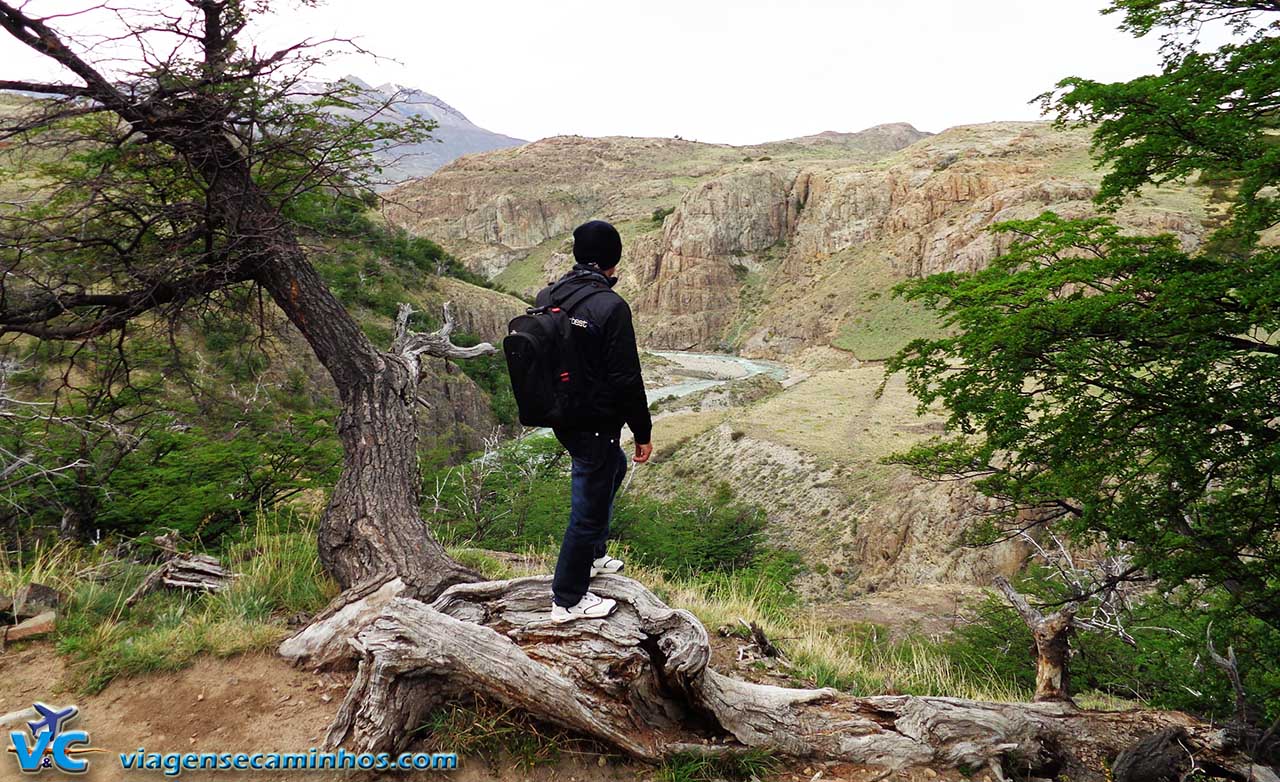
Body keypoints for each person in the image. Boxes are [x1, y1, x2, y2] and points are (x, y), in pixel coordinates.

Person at [536, 220, 654, 622]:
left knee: (611, 467)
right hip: (595, 420)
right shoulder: (610, 307)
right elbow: (626, 378)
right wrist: (643, 432)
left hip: (559, 412)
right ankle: (567, 599)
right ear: (613, 260)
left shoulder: (550, 293)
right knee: (586, 507)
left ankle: (595, 555)